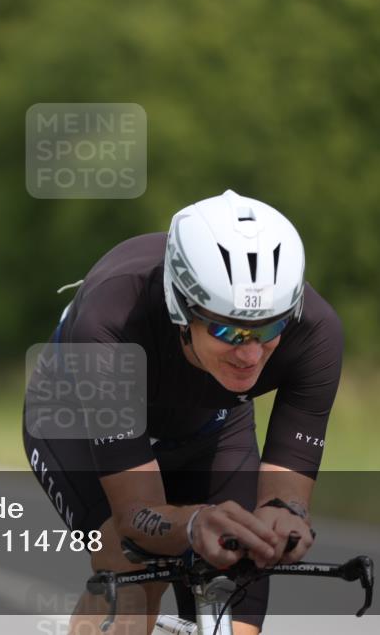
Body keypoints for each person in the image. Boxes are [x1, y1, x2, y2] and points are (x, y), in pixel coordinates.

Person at [23, 190, 343, 635]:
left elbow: (288, 487)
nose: (250, 355)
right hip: (75, 413)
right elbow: (137, 515)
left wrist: (285, 516)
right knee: (132, 566)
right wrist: (192, 525)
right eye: (228, 330)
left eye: (268, 327)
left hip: (210, 424)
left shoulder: (315, 334)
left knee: (238, 594)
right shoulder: (110, 320)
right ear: (180, 309)